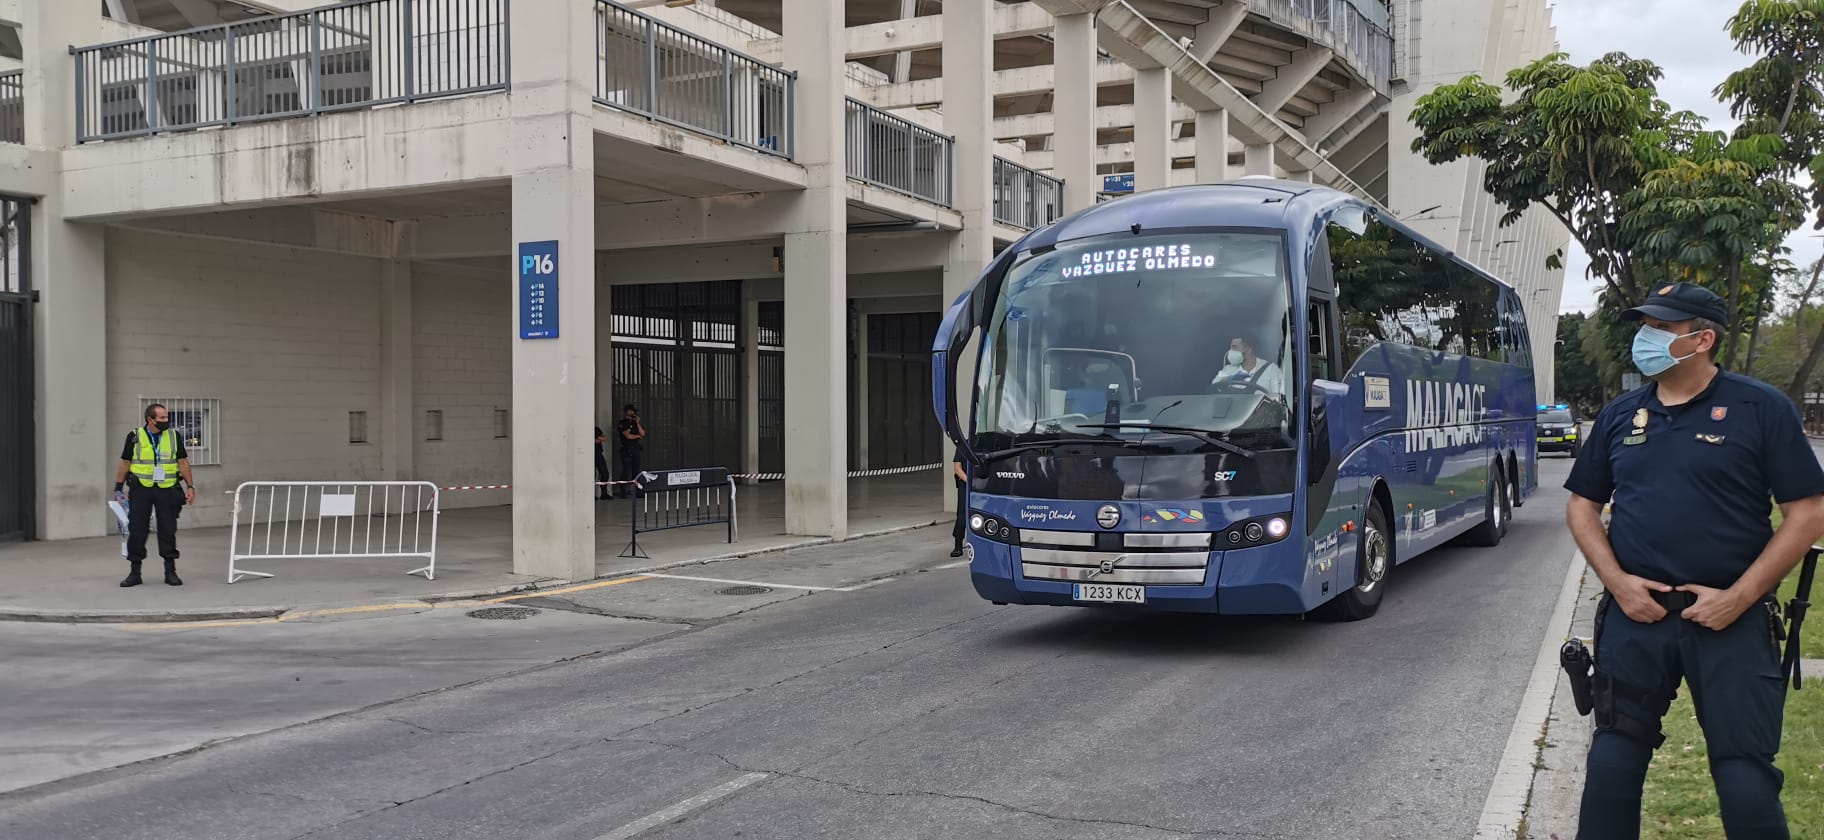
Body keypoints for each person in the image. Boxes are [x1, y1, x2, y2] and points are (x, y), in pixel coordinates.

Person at [1564, 282, 1824, 839]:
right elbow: (1583, 508)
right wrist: (1618, 584)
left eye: (1661, 328)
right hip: (1637, 621)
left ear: (1702, 339)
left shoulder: (1761, 409)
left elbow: (1807, 515)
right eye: (1646, 325)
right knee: (1610, 769)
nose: (1645, 337)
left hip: (1731, 622)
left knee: (1744, 779)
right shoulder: (1620, 416)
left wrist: (1739, 597)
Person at [112, 403, 197, 587]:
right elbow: (125, 463)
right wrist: (118, 488)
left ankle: (170, 571)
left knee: (168, 529)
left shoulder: (174, 436)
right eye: (162, 418)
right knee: (137, 530)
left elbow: (182, 462)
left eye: (167, 417)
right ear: (150, 419)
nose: (166, 421)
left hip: (167, 488)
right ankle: (135, 573)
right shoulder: (135, 436)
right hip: (141, 488)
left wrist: (190, 487)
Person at [1211, 336, 1283, 394]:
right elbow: (1214, 386)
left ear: (1248, 350)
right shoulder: (1228, 369)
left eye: (1234, 347)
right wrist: (1230, 378)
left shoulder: (1272, 370)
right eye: (1231, 348)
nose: (1231, 351)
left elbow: (1278, 398)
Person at [615, 404, 647, 499]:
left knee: (636, 472)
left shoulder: (634, 423)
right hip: (626, 450)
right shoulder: (622, 423)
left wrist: (637, 423)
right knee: (625, 471)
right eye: (630, 412)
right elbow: (628, 436)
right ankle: (623, 492)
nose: (632, 414)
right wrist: (637, 436)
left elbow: (643, 433)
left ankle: (637, 491)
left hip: (636, 449)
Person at [951, 452, 969, 558]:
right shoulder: (964, 445)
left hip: (984, 483)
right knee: (962, 516)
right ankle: (958, 545)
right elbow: (957, 468)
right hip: (966, 484)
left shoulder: (990, 443)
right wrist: (969, 481)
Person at [594, 426, 611, 500]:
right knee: (592, 474)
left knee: (605, 473)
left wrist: (598, 438)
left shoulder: (596, 429)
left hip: (598, 453)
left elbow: (605, 437)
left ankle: (604, 494)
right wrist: (598, 439)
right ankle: (591, 494)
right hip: (589, 453)